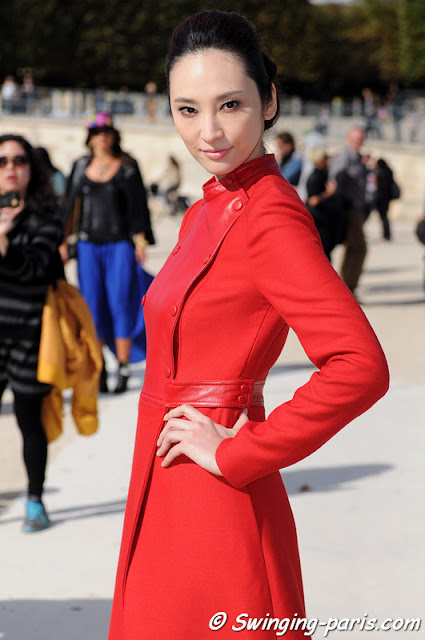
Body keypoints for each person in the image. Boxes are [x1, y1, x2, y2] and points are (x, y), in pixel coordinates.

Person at [108, 11, 389, 639]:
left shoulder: (269, 217)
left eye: (230, 105)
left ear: (269, 103)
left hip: (216, 498)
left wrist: (239, 451)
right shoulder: (208, 207)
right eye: (187, 110)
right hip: (167, 477)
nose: (208, 132)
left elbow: (360, 367)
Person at [63, 112, 155, 394]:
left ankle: (123, 365)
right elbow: (70, 207)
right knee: (92, 306)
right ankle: (99, 366)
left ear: (114, 135)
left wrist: (140, 242)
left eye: (106, 132)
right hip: (88, 246)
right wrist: (62, 241)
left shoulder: (127, 166)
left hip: (119, 245)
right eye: (96, 132)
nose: (101, 137)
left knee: (121, 303)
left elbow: (139, 207)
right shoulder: (80, 165)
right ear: (89, 137)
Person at [0, 134, 64, 532]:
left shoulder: (46, 216)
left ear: (31, 168)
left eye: (19, 160)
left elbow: (37, 269)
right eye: (2, 160)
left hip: (30, 335)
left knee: (28, 419)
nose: (10, 167)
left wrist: (4, 243)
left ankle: (35, 500)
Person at [328, 126, 368, 296]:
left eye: (360, 140)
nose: (357, 142)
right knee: (359, 247)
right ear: (348, 139)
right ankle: (347, 287)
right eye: (354, 139)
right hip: (348, 208)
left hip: (356, 207)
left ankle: (348, 287)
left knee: (353, 247)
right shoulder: (344, 157)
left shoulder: (357, 158)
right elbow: (334, 181)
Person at [305, 146, 343, 260]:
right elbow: (313, 201)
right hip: (320, 222)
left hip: (327, 220)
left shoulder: (323, 174)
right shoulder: (315, 177)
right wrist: (328, 192)